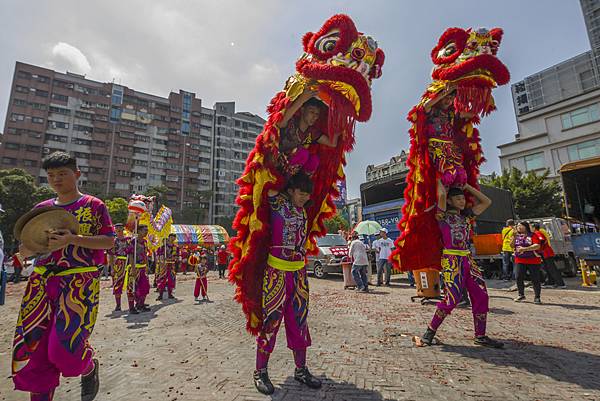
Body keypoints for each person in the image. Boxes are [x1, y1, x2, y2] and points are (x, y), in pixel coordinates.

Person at [12, 151, 115, 401]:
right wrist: (26, 250)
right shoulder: (41, 209)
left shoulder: (93, 205)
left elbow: (109, 242)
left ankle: (88, 366)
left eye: (62, 174)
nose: (56, 179)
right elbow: (27, 247)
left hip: (78, 284)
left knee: (64, 351)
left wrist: (73, 239)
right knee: (34, 353)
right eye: (51, 175)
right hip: (40, 284)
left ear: (76, 174)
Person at [253, 172, 321, 395]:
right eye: (301, 193)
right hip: (276, 274)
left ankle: (301, 369)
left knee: (299, 322)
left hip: (299, 274)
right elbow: (268, 173)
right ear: (291, 190)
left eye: (306, 194)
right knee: (271, 322)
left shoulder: (303, 210)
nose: (304, 198)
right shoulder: (277, 201)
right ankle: (260, 371)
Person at [418, 180, 503, 348]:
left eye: (463, 198)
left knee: (481, 296)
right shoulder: (441, 216)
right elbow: (441, 194)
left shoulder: (466, 216)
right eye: (458, 199)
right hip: (451, 261)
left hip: (468, 260)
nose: (462, 201)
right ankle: (430, 331)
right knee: (452, 299)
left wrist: (467, 186)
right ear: (449, 201)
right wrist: (439, 177)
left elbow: (487, 201)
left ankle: (481, 335)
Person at [276, 86, 339, 176]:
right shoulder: (291, 122)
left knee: (314, 159)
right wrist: (302, 99)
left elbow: (332, 143)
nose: (314, 117)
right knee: (303, 153)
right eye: (311, 112)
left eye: (317, 114)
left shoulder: (311, 133)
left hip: (295, 174)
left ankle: (300, 186)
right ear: (302, 110)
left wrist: (338, 126)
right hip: (277, 165)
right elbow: (280, 122)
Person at [513, 221, 543, 304]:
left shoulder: (533, 235)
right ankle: (521, 294)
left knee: (535, 279)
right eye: (518, 226)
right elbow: (512, 246)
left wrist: (524, 249)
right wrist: (513, 238)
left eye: (521, 225)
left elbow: (537, 245)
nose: (519, 227)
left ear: (526, 226)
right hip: (519, 260)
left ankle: (537, 297)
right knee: (518, 277)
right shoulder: (517, 236)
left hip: (533, 260)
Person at [126, 225, 151, 313]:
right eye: (145, 230)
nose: (146, 232)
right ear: (139, 231)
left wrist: (147, 265)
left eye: (147, 230)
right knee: (132, 287)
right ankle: (131, 307)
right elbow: (130, 255)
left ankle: (141, 305)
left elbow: (145, 254)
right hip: (134, 268)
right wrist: (133, 268)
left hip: (143, 267)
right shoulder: (133, 242)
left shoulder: (144, 242)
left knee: (145, 286)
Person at [533, 223, 566, 289]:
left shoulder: (537, 232)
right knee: (547, 268)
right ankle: (550, 282)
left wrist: (539, 248)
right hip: (544, 253)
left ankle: (560, 283)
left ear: (534, 227)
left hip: (546, 252)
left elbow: (542, 240)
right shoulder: (538, 232)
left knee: (552, 268)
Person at [107, 223, 130, 311]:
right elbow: (111, 255)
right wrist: (112, 268)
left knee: (130, 283)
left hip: (128, 262)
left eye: (121, 227)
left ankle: (132, 304)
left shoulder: (128, 240)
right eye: (117, 228)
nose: (119, 229)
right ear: (115, 230)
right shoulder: (113, 241)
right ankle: (118, 304)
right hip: (118, 263)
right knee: (117, 284)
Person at [157, 234, 178, 300]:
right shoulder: (163, 247)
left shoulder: (176, 247)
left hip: (172, 265)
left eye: (174, 237)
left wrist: (175, 258)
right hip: (164, 265)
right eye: (171, 237)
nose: (172, 238)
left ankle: (170, 294)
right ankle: (160, 295)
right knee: (162, 279)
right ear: (168, 237)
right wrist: (162, 259)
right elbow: (159, 256)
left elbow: (177, 256)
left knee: (171, 279)